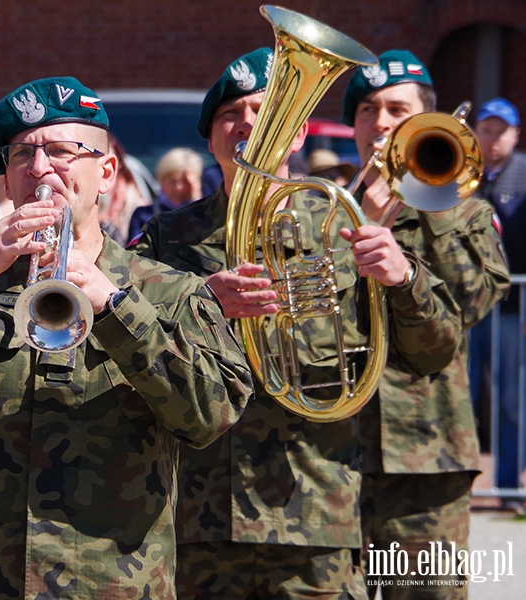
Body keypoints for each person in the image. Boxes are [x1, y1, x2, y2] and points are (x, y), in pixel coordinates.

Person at [0, 75, 254, 599]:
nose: (39, 169)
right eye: (20, 156)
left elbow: (211, 415)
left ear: (105, 173)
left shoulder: (169, 291)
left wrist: (113, 305)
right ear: (6, 182)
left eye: (60, 150)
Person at [132, 47, 463, 599]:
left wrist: (404, 280)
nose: (246, 124)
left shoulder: (342, 225)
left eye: (264, 110)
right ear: (210, 140)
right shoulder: (167, 239)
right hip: (196, 521)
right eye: (229, 114)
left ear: (298, 132)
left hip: (315, 520)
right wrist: (198, 297)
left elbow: (432, 352)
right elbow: (125, 341)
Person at [341, 50, 510, 597]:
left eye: (397, 109)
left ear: (426, 120)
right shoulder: (322, 202)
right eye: (368, 109)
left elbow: (472, 302)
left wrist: (431, 196)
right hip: (328, 454)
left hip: (425, 456)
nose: (382, 122)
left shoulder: (465, 211)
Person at [470, 97, 526, 507]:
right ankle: (453, 484)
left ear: (515, 135)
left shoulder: (524, 175)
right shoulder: (460, 170)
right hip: (465, 307)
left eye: (500, 131)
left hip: (510, 308)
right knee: (460, 394)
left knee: (510, 399)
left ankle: (507, 484)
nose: (492, 139)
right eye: (485, 130)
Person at [128, 146, 203, 241]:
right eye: (172, 182)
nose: (179, 188)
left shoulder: (207, 214)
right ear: (161, 181)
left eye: (185, 182)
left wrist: (197, 201)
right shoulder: (144, 215)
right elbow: (134, 251)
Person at [97, 136, 150, 245]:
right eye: (97, 158)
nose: (103, 167)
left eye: (107, 161)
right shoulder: (80, 193)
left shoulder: (138, 206)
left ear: (115, 165)